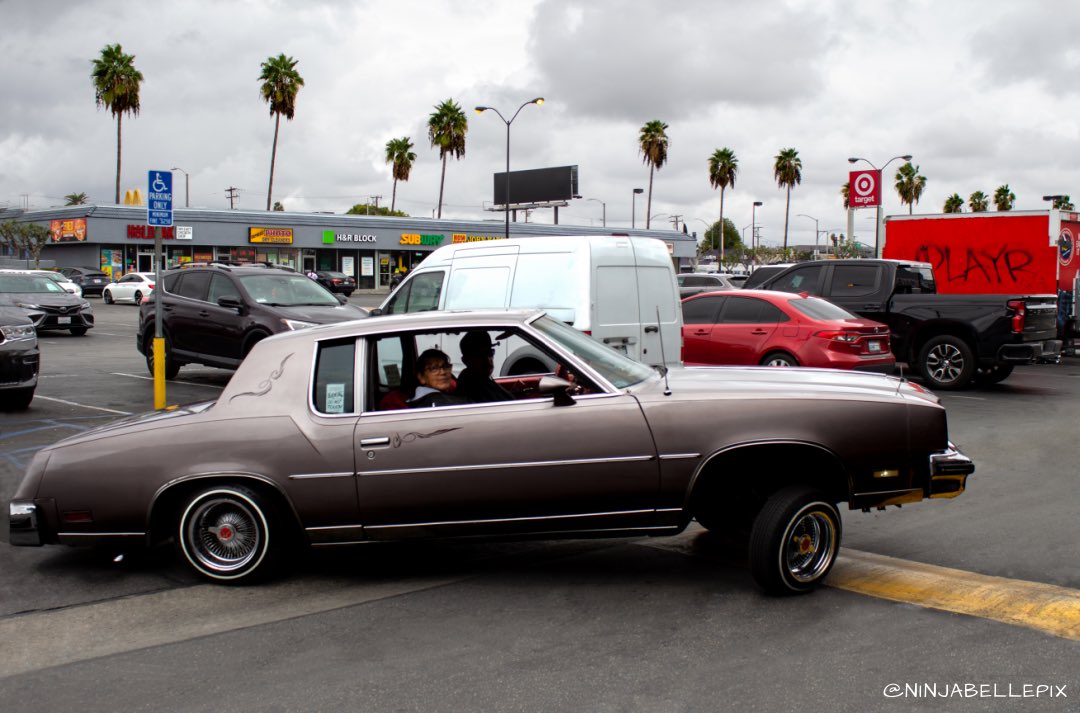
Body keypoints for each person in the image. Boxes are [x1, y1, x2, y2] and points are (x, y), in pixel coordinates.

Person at [455, 330, 514, 403]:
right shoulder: (473, 386)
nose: (488, 359)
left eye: (490, 353)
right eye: (480, 355)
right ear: (466, 360)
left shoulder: (483, 379)